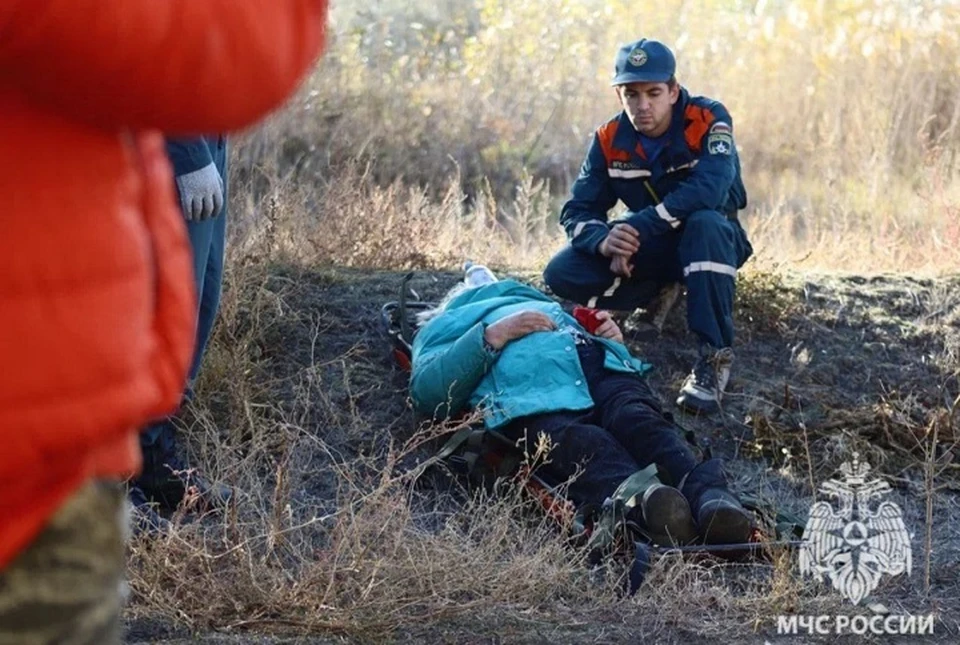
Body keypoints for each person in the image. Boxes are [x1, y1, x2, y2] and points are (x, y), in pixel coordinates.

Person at [0, 1, 328, 642]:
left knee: (198, 291)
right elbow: (238, 56)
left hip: (50, 388)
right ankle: (154, 462)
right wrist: (184, 148)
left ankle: (157, 458)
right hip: (38, 438)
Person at [410, 267, 753, 549]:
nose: (493, 289)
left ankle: (712, 500)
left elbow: (606, 351)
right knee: (581, 441)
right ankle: (648, 506)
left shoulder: (550, 307)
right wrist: (492, 335)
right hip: (529, 390)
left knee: (638, 419)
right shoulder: (446, 324)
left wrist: (611, 340)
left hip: (595, 366)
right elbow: (429, 392)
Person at [543, 38, 753, 415]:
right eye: (631, 94)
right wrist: (606, 240)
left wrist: (637, 225)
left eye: (653, 93)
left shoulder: (708, 119)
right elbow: (578, 209)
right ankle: (655, 294)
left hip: (715, 240)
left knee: (704, 223)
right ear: (619, 94)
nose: (642, 105)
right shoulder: (608, 138)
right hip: (653, 247)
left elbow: (711, 189)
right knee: (561, 271)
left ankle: (713, 356)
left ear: (673, 91)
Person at [131, 134, 233, 518]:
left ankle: (154, 458)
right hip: (172, 139)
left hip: (212, 135)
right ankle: (121, 472)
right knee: (165, 309)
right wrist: (187, 150)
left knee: (199, 302)